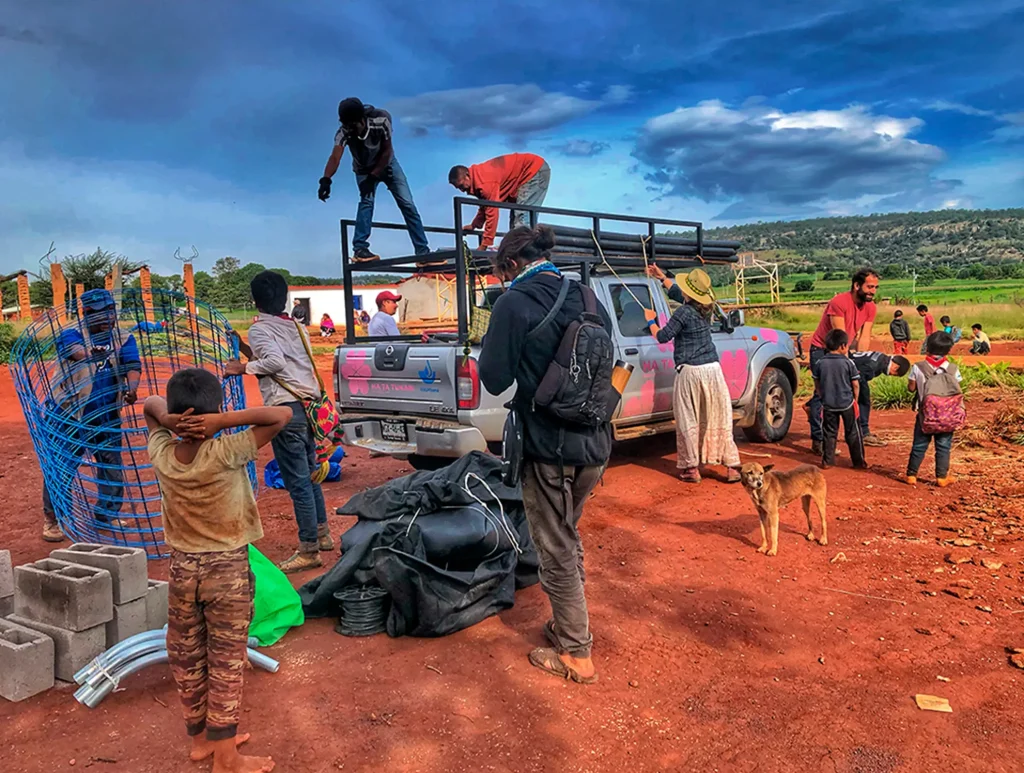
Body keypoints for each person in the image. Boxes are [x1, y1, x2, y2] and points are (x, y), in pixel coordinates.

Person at [478, 224, 612, 685]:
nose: (498, 280)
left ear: (510, 265)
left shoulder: (513, 303)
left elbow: (493, 378)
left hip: (547, 446)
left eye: (498, 272)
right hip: (595, 444)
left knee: (554, 544)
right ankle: (567, 625)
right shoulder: (589, 299)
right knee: (565, 533)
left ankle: (577, 652)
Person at [143, 369, 289, 773]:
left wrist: (170, 421)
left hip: (182, 569)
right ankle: (226, 759)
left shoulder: (163, 452)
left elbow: (150, 407)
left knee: (187, 654)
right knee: (226, 659)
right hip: (226, 570)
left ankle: (201, 742)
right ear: (216, 411)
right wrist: (222, 421)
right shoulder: (227, 450)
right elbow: (280, 416)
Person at [224, 271, 332, 574]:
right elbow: (283, 361)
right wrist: (246, 349)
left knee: (297, 482)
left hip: (285, 411)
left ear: (255, 300)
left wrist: (242, 367)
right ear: (285, 298)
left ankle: (309, 548)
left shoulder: (261, 329)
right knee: (310, 476)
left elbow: (275, 363)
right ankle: (322, 533)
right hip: (308, 408)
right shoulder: (296, 326)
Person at [42, 288, 142, 541]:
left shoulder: (123, 337)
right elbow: (75, 351)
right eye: (97, 313)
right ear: (85, 313)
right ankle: (54, 519)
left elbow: (132, 366)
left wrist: (131, 389)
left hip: (107, 414)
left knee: (111, 467)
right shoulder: (71, 334)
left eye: (109, 311)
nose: (105, 317)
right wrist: (89, 355)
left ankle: (105, 515)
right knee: (61, 468)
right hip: (69, 415)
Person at [643, 269, 741, 484]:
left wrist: (651, 320)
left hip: (690, 371)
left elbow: (662, 336)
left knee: (688, 419)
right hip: (713, 369)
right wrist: (662, 278)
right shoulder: (707, 308)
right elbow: (681, 295)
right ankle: (732, 466)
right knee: (718, 416)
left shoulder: (683, 313)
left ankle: (691, 468)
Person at [318, 97, 430, 262]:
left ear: (361, 119)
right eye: (347, 126)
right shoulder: (343, 132)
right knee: (366, 202)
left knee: (407, 204)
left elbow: (387, 151)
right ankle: (360, 248)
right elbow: (335, 157)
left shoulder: (381, 120)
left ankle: (423, 252)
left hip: (387, 164)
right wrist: (326, 180)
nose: (351, 130)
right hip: (363, 169)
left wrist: (374, 175)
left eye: (353, 126)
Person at [806, 268, 881, 455]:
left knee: (861, 385)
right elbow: (840, 338)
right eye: (870, 286)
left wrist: (860, 363)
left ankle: (863, 431)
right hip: (824, 350)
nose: (873, 291)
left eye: (876, 287)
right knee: (823, 394)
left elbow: (865, 336)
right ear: (857, 286)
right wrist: (846, 366)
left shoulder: (871, 307)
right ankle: (819, 440)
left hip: (845, 349)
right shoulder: (839, 302)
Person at [448, 154, 551, 250]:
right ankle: (517, 249)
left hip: (534, 171)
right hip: (525, 175)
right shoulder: (477, 180)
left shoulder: (485, 182)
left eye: (462, 185)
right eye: (458, 188)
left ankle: (523, 253)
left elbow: (492, 212)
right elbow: (486, 205)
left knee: (523, 217)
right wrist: (474, 225)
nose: (462, 190)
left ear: (467, 176)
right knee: (516, 222)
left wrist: (485, 245)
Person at [905, 331, 962, 487]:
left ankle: (911, 475)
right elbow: (956, 389)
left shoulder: (918, 367)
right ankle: (942, 477)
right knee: (943, 447)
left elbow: (911, 388)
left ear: (927, 347)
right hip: (947, 415)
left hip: (925, 415)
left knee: (919, 445)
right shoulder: (953, 368)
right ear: (949, 350)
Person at [814, 330, 867, 469]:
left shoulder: (820, 363)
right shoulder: (848, 363)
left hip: (828, 404)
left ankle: (827, 461)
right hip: (847, 403)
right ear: (843, 346)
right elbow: (855, 384)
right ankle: (858, 462)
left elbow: (817, 383)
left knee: (829, 433)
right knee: (853, 432)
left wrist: (821, 395)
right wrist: (855, 399)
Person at [849, 350, 911, 443]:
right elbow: (858, 376)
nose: (891, 375)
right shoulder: (876, 365)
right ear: (895, 367)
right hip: (851, 374)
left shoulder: (881, 357)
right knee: (864, 401)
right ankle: (863, 432)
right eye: (895, 374)